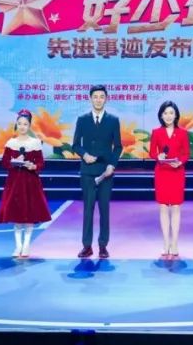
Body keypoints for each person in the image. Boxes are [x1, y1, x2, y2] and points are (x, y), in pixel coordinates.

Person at [71, 85, 122, 259]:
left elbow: (118, 147)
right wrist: (84, 155)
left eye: (101, 96)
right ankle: (87, 246)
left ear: (106, 99)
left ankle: (103, 246)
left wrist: (112, 165)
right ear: (90, 99)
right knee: (88, 210)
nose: (98, 100)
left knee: (104, 210)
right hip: (87, 171)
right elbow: (75, 144)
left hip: (106, 172)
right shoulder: (82, 120)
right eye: (95, 96)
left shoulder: (113, 120)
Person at [0, 109, 51, 258]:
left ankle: (26, 246)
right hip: (14, 183)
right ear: (16, 125)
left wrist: (33, 166)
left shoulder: (35, 143)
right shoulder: (11, 143)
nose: (22, 127)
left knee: (29, 215)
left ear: (29, 126)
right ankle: (18, 246)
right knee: (17, 216)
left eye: (25, 124)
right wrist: (14, 162)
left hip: (30, 182)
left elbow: (41, 163)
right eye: (19, 124)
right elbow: (4, 162)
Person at [149, 100, 190, 259]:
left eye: (171, 113)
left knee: (176, 207)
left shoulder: (183, 133)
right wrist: (158, 156)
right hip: (162, 172)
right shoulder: (156, 132)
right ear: (161, 115)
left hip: (177, 172)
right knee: (164, 208)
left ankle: (175, 243)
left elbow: (186, 154)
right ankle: (166, 243)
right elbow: (152, 153)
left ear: (176, 115)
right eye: (165, 113)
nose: (168, 116)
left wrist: (180, 162)